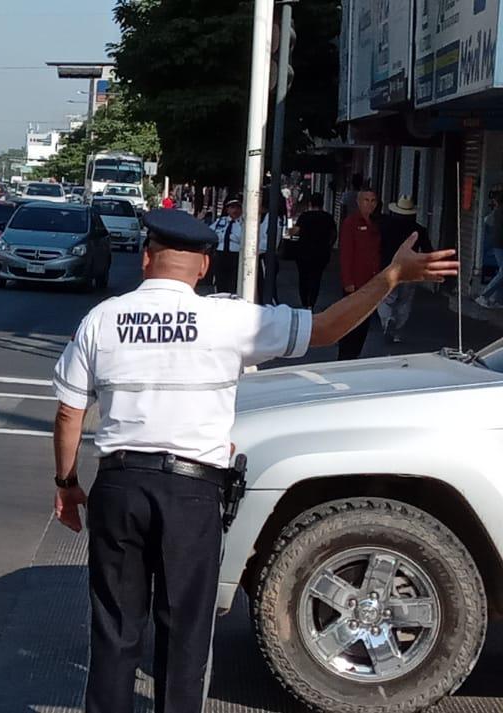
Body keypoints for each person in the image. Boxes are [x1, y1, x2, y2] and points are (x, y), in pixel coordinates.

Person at [51, 209, 458, 713]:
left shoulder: (102, 319)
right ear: (203, 266)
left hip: (120, 487)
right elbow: (328, 328)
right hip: (191, 493)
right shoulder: (231, 320)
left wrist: (67, 483)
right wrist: (392, 276)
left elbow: (70, 412)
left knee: (114, 628)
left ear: (146, 258)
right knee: (184, 633)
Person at [376, 196, 432, 342]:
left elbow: (377, 247)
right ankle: (397, 332)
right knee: (405, 301)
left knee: (385, 298)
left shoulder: (385, 227)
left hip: (388, 266)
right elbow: (427, 250)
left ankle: (388, 319)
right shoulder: (419, 230)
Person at [338, 189, 382, 358]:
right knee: (350, 323)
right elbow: (346, 253)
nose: (369, 204)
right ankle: (344, 357)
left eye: (373, 200)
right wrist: (348, 281)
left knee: (364, 323)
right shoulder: (351, 223)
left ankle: (354, 356)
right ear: (358, 202)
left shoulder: (375, 223)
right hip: (355, 282)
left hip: (371, 282)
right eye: (366, 200)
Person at [288, 193, 336, 309]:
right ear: (322, 203)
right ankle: (311, 303)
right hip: (321, 252)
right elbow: (334, 235)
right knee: (316, 277)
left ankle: (304, 302)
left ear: (310, 203)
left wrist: (290, 227)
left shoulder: (304, 216)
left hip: (303, 252)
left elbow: (293, 232)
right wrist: (329, 246)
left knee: (303, 277)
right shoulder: (328, 217)